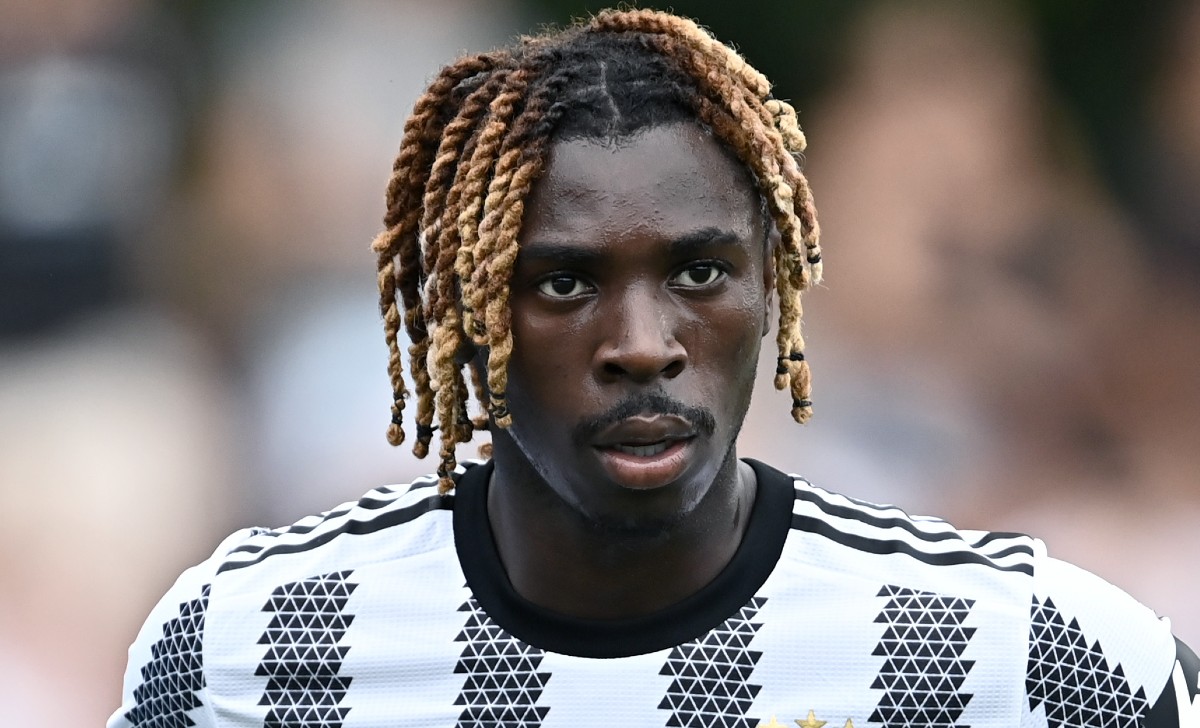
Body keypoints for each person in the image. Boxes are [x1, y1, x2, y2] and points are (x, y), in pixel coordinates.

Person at [110, 9, 1197, 727]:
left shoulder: (1005, 650)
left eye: (699, 272)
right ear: (466, 315)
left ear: (775, 288)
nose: (642, 342)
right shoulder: (258, 645)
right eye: (565, 283)